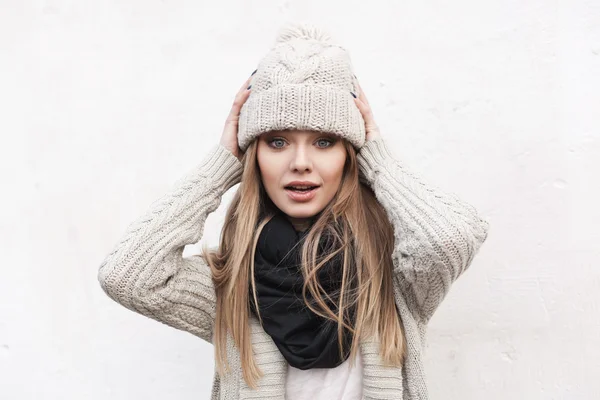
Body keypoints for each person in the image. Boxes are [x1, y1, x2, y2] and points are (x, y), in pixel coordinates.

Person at [97, 22, 490, 400]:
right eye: (278, 141)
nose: (300, 162)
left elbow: (449, 238)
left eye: (324, 141)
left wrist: (376, 156)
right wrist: (221, 165)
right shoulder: (233, 285)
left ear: (348, 157)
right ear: (253, 157)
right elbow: (127, 277)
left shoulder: (393, 277)